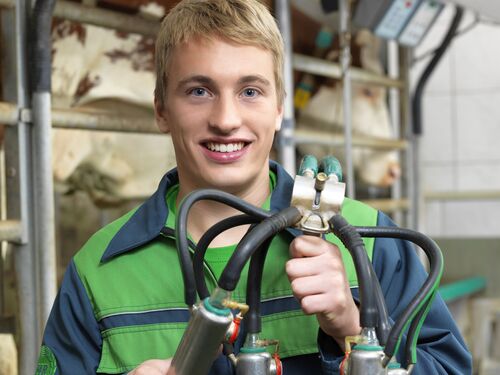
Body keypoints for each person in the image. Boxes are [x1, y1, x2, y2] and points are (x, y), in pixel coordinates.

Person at [36, 0, 472, 374]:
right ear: (161, 109)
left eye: (250, 91)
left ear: (280, 108)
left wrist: (353, 327)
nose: (226, 119)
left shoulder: (369, 242)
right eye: (198, 91)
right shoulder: (99, 271)